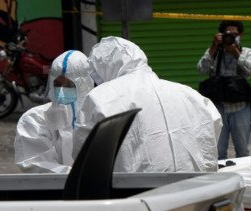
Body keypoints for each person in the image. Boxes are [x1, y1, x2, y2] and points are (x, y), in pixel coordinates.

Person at [74, 36, 222, 173]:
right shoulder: (187, 93)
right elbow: (213, 123)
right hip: (194, 189)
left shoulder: (100, 97)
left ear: (102, 67)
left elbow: (83, 153)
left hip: (136, 193)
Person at [14, 50, 93, 173]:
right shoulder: (34, 119)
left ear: (85, 85)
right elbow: (37, 166)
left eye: (69, 85)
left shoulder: (97, 115)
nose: (62, 90)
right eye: (57, 84)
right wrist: (82, 178)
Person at [197, 20, 251, 160]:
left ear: (241, 35)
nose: (231, 37)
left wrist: (236, 52)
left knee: (242, 150)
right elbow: (201, 69)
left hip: (240, 107)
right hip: (218, 107)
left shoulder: (247, 52)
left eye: (234, 34)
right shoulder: (214, 51)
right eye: (227, 34)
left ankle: (244, 178)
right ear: (221, 35)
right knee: (219, 151)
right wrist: (213, 47)